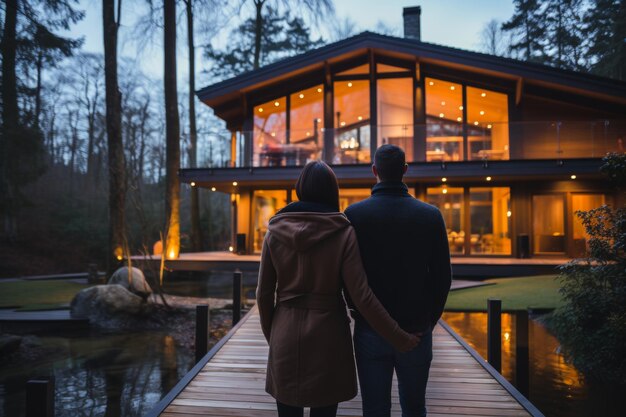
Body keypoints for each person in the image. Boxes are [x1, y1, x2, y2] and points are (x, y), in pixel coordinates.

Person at [256, 160, 420, 417]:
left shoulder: (274, 232)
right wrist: (398, 336)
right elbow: (362, 296)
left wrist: (274, 336)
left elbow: (263, 294)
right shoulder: (342, 232)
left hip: (285, 334)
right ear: (332, 190)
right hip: (328, 338)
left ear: (300, 188)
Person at [345, 144, 452, 417]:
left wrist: (357, 310)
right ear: (405, 170)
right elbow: (443, 278)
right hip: (416, 329)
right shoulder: (429, 216)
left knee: (375, 409)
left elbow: (347, 277)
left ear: (374, 171)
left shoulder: (354, 216)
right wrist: (429, 320)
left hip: (370, 329)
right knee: (415, 408)